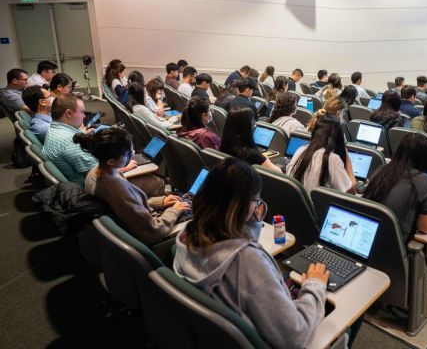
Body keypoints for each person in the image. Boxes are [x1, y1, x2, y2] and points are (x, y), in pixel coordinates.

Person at [173, 158, 328, 348]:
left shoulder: (187, 234)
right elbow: (295, 336)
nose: (258, 206)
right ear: (242, 206)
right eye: (256, 201)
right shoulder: (248, 262)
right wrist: (314, 286)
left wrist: (251, 221)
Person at [76, 128, 188, 245]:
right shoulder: (117, 189)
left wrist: (161, 202)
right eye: (129, 153)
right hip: (152, 236)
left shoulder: (95, 173)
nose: (133, 153)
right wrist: (175, 210)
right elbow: (153, 231)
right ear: (111, 161)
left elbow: (127, 208)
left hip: (137, 225)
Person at [43, 95, 168, 199]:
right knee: (156, 182)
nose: (84, 116)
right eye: (82, 112)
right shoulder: (71, 143)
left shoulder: (54, 129)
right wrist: (125, 167)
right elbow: (99, 175)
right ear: (69, 113)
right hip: (94, 191)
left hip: (78, 184)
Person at [364, 134, 427, 243]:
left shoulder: (381, 170)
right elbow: (425, 228)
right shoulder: (426, 181)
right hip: (395, 248)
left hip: (367, 237)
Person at [287, 115, 355, 194]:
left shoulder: (301, 150)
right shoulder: (332, 159)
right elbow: (351, 191)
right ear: (338, 137)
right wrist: (348, 161)